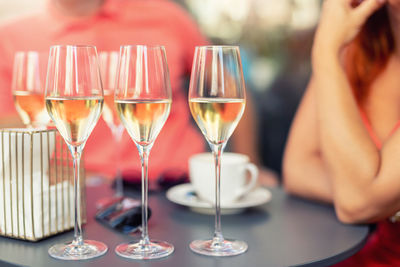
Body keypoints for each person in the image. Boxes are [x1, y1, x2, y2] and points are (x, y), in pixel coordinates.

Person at [0, 0, 275, 185]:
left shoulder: (165, 15)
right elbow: (10, 134)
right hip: (82, 191)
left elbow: (230, 93)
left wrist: (249, 166)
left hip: (183, 187)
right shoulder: (10, 37)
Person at [283, 0, 400, 265]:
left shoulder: (334, 47)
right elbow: (297, 167)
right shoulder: (354, 47)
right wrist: (383, 200)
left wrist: (325, 49)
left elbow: (356, 202)